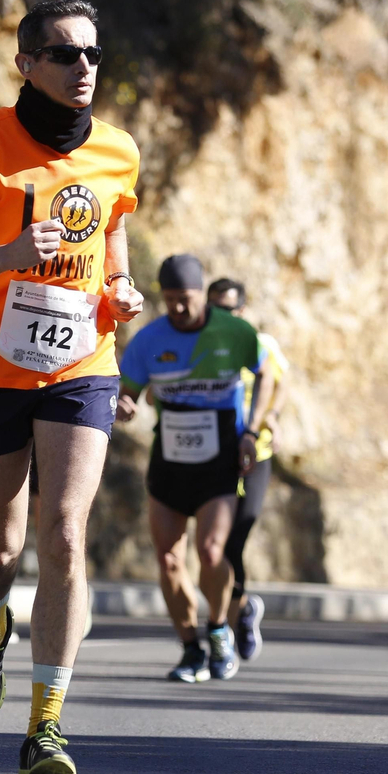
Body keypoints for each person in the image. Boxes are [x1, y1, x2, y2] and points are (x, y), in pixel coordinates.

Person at [0, 0, 144, 774]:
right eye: (65, 54)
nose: (84, 68)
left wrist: (122, 285)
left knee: (66, 534)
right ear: (27, 65)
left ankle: (46, 725)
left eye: (93, 53)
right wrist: (8, 251)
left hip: (83, 362)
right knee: (0, 548)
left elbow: (112, 231)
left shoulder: (118, 151)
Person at [118, 256, 271, 683]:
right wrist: (125, 405)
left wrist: (252, 430)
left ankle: (219, 628)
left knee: (210, 551)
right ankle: (190, 648)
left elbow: (267, 375)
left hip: (220, 456)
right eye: (169, 302)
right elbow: (127, 391)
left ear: (202, 293)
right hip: (170, 457)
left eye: (184, 299)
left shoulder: (235, 332)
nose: (178, 309)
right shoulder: (149, 341)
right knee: (168, 559)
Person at [207, 277, 289, 662]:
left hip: (256, 453)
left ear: (242, 311)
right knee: (222, 543)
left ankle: (236, 613)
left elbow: (279, 383)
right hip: (215, 454)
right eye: (215, 307)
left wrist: (270, 414)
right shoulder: (202, 342)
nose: (221, 315)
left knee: (239, 532)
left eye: (229, 308)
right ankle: (235, 615)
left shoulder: (261, 343)